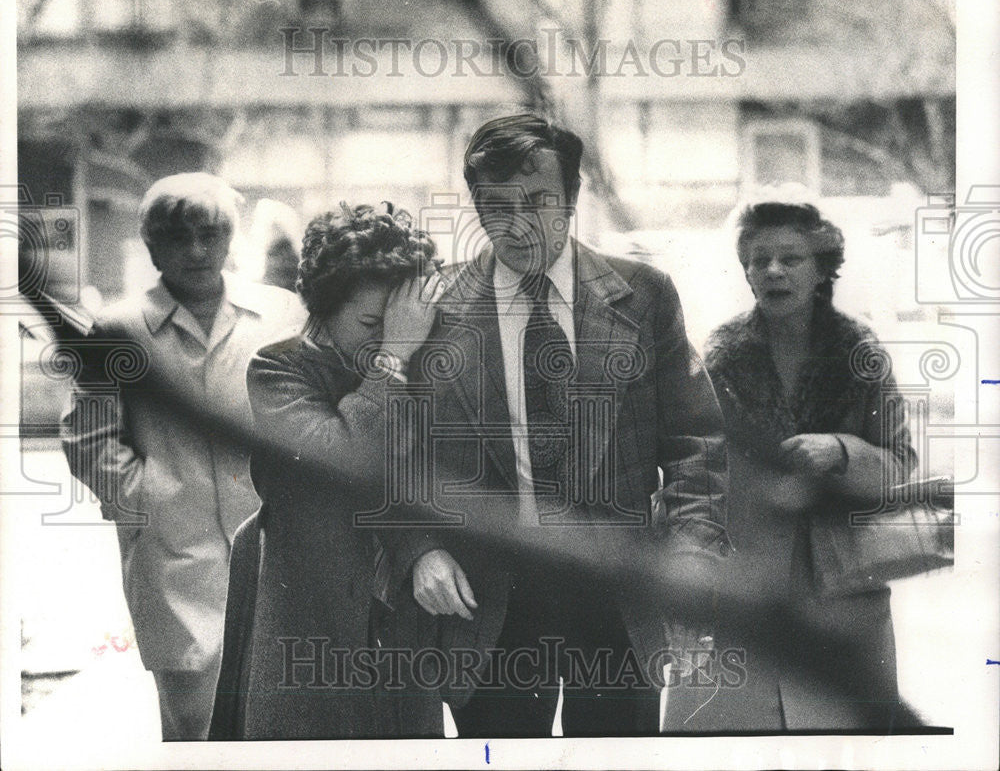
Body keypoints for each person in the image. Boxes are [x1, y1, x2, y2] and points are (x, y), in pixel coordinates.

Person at [381, 115, 730, 736]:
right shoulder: (437, 310)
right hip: (491, 594)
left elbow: (695, 443)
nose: (519, 224)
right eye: (497, 204)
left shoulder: (643, 294)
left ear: (571, 200)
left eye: (539, 201)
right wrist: (419, 546)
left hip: (618, 589)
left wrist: (692, 558)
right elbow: (401, 446)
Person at [61, 172, 304, 740]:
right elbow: (89, 440)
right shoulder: (118, 329)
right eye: (177, 236)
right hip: (173, 561)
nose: (196, 250)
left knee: (276, 719)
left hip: (274, 551)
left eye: (211, 233)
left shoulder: (280, 314)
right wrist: (149, 498)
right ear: (151, 245)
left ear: (231, 238)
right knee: (194, 724)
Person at [219, 202, 446, 739]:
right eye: (371, 323)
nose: (384, 338)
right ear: (323, 307)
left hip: (398, 627)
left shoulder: (419, 359)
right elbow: (338, 461)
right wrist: (393, 360)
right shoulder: (278, 369)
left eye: (398, 322)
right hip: (309, 617)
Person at [699, 199, 918, 731]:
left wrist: (841, 451)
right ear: (746, 271)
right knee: (726, 743)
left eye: (791, 258)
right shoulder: (719, 356)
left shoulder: (859, 352)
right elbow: (695, 469)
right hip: (745, 585)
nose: (773, 270)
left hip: (842, 587)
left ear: (822, 269)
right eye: (759, 259)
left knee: (845, 741)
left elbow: (899, 467)